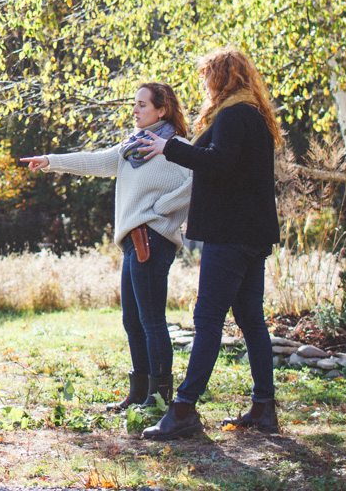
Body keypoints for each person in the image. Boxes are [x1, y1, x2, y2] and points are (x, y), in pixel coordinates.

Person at [135, 48, 282, 440]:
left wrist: (171, 148)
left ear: (222, 78)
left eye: (208, 77)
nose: (205, 85)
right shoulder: (254, 115)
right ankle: (264, 406)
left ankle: (183, 407)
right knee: (251, 319)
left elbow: (218, 162)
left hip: (231, 235)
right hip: (252, 234)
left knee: (207, 320)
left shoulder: (234, 115)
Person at [22, 83, 193, 411]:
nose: (135, 110)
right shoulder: (132, 147)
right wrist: (50, 160)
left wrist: (160, 211)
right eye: (135, 104)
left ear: (162, 110)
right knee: (132, 319)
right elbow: (94, 162)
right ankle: (140, 392)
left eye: (142, 104)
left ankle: (159, 397)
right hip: (132, 241)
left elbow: (196, 184)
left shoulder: (176, 147)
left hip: (152, 239)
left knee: (152, 320)